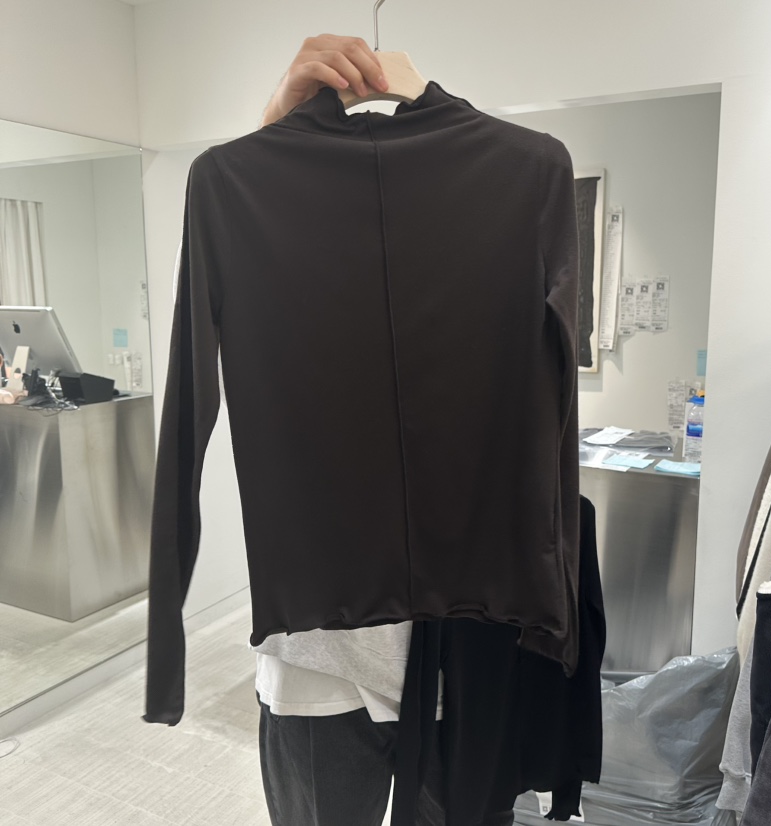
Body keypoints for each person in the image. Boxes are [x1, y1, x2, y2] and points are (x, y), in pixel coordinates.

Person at [249, 35, 451, 826]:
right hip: (317, 657)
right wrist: (275, 126)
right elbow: (215, 297)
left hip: (457, 649)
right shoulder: (278, 245)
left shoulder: (485, 227)